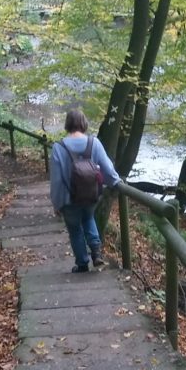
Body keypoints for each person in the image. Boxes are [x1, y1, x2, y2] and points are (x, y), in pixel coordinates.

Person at [50, 109, 121, 273]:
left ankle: (82, 263)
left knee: (74, 229)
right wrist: (116, 183)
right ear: (84, 123)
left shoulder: (58, 147)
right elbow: (108, 170)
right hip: (91, 195)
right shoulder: (94, 143)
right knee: (89, 218)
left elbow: (56, 180)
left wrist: (57, 203)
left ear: (67, 124)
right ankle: (96, 252)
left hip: (69, 199)